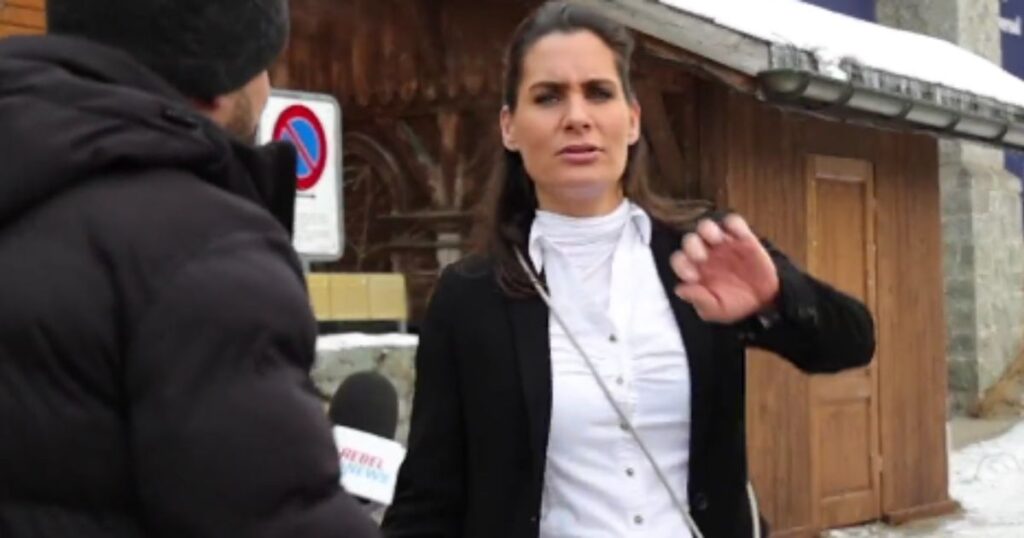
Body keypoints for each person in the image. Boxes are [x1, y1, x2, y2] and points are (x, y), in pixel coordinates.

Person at [381, 2, 876, 537]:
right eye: (548, 97)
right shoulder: (470, 298)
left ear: (633, 119)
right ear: (510, 128)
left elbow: (853, 341)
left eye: (598, 92)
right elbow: (428, 498)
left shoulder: (703, 254)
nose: (577, 117)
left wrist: (776, 297)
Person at [0, 1, 380, 537]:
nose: (267, 85)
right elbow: (275, 516)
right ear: (218, 77)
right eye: (263, 63)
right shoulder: (203, 248)